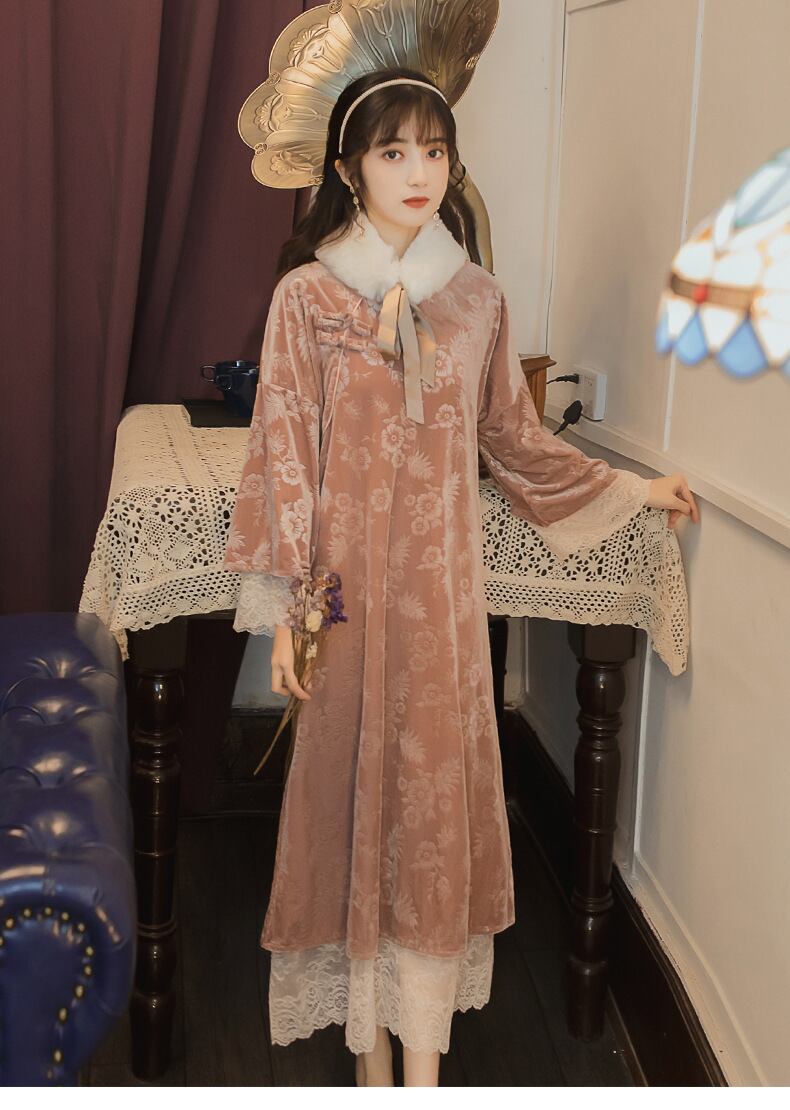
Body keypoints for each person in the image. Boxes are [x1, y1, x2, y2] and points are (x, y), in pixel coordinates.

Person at [223, 66, 699, 1087]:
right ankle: (370, 1062)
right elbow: (283, 458)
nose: (418, 172)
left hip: (441, 614)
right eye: (393, 151)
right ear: (348, 170)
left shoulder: (477, 299)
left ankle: (424, 1072)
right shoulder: (307, 298)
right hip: (341, 610)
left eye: (433, 151)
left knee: (431, 818)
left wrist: (629, 489)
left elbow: (512, 440)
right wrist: (291, 616)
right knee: (347, 806)